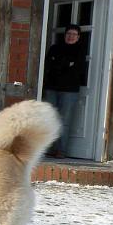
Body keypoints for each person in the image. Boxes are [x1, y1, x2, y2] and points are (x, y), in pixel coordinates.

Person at [42, 23, 86, 158]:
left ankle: (61, 150)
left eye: (74, 34)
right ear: (65, 35)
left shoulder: (80, 50)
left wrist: (60, 64)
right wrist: (66, 64)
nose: (71, 37)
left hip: (70, 90)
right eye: (68, 34)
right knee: (48, 118)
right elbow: (49, 64)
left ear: (78, 37)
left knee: (64, 121)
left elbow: (77, 69)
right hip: (52, 88)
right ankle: (46, 148)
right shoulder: (55, 48)